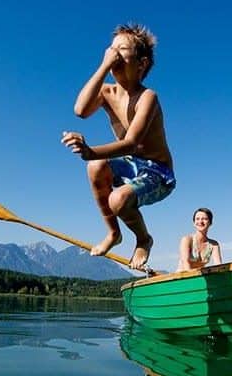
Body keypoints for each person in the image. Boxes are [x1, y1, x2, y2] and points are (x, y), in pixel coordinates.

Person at [62, 23, 175, 270]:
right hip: (131, 164)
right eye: (111, 49)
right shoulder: (107, 91)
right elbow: (80, 111)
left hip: (158, 172)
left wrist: (90, 150)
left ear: (142, 63)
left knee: (118, 199)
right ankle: (113, 233)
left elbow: (132, 143)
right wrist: (103, 66)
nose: (113, 54)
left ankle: (144, 239)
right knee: (95, 167)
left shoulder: (148, 97)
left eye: (121, 50)